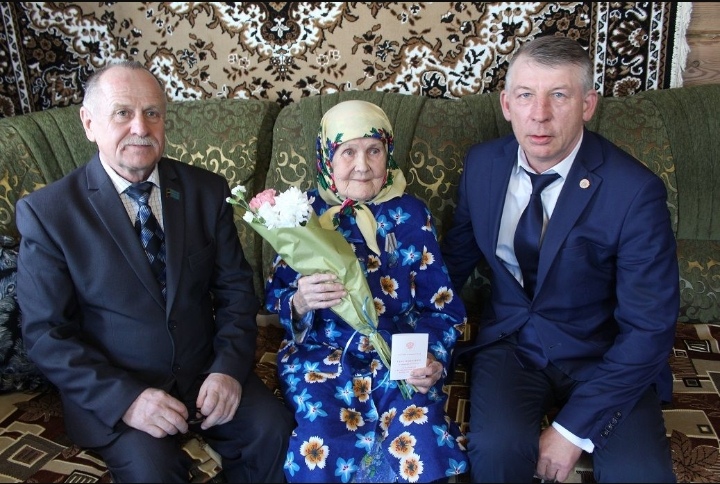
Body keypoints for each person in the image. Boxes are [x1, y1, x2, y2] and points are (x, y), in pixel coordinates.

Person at [16, 60, 293, 483]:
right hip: (117, 389)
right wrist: (126, 399)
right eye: (122, 113)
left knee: (274, 430)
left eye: (152, 113)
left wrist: (227, 369)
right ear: (89, 123)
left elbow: (237, 291)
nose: (140, 128)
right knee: (153, 472)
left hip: (205, 372)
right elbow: (45, 334)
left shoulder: (206, 191)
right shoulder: (48, 214)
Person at [440, 36, 678, 483]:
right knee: (495, 452)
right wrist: (408, 337)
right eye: (525, 95)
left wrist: (571, 432)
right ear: (506, 104)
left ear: (588, 105)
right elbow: (451, 264)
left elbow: (650, 326)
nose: (540, 114)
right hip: (511, 345)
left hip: (603, 356)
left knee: (640, 473)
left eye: (559, 96)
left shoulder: (635, 192)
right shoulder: (482, 165)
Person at [265, 100, 469, 483]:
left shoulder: (412, 215)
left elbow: (442, 307)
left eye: (374, 150)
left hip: (398, 355)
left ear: (388, 154)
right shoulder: (300, 214)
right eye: (348, 152)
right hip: (322, 357)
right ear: (326, 158)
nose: (362, 165)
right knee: (320, 441)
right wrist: (300, 301)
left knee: (419, 430)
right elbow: (276, 297)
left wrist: (433, 357)